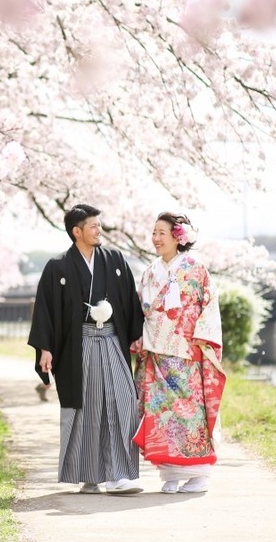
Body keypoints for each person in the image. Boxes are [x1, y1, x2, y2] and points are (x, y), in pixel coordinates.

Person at [27, 204, 144, 495]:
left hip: (112, 341)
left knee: (123, 400)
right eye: (93, 226)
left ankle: (118, 474)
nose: (99, 230)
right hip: (80, 346)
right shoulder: (58, 267)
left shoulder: (114, 259)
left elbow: (130, 300)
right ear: (76, 232)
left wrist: (136, 335)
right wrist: (45, 348)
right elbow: (45, 310)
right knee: (89, 408)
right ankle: (89, 475)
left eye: (98, 225)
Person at [133, 212, 225, 494]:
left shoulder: (196, 269)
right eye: (154, 232)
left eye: (161, 233)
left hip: (186, 352)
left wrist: (201, 337)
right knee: (161, 413)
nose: (156, 238)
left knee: (189, 412)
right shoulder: (150, 271)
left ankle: (199, 474)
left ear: (178, 236)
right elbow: (141, 308)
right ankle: (170, 473)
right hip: (157, 354)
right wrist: (138, 335)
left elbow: (209, 304)